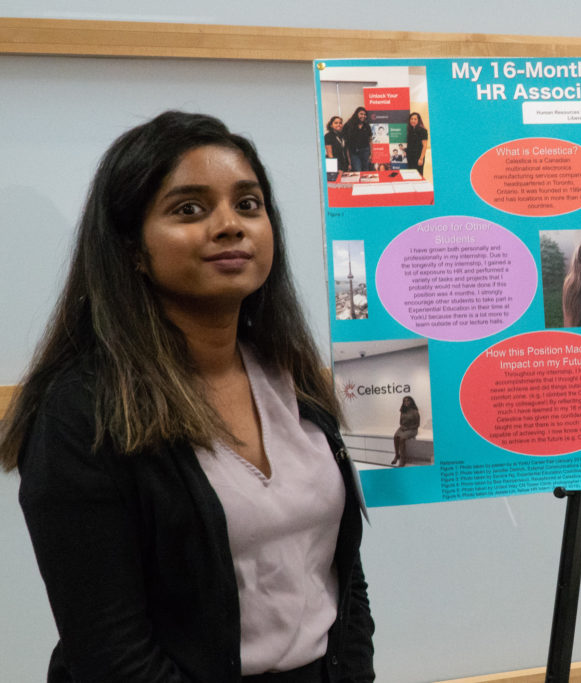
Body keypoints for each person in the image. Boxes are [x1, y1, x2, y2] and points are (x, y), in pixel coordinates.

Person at [0, 111, 374, 681]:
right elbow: (112, 656)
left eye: (248, 204)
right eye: (189, 209)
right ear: (131, 249)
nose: (230, 225)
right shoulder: (81, 412)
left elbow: (340, 577)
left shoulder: (291, 375)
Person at [391, 395, 420, 467]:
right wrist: (402, 427)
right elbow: (400, 422)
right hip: (403, 428)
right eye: (404, 401)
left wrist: (408, 428)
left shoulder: (415, 412)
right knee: (395, 436)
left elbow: (417, 425)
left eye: (408, 400)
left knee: (402, 439)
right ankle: (397, 455)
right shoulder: (402, 411)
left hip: (412, 429)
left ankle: (402, 460)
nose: (406, 402)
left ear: (411, 402)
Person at [342, 106, 372, 172]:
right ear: (356, 114)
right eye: (361, 114)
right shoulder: (348, 125)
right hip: (354, 152)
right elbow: (346, 142)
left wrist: (371, 154)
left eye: (365, 115)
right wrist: (348, 159)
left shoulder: (367, 126)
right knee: (357, 170)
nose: (363, 116)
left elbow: (370, 140)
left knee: (365, 170)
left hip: (365, 151)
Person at [406, 112, 429, 177]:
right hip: (410, 157)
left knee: (418, 175)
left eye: (415, 119)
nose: (413, 120)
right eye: (411, 119)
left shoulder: (423, 131)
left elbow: (424, 146)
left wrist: (421, 158)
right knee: (411, 175)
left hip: (418, 157)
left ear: (418, 120)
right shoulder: (410, 130)